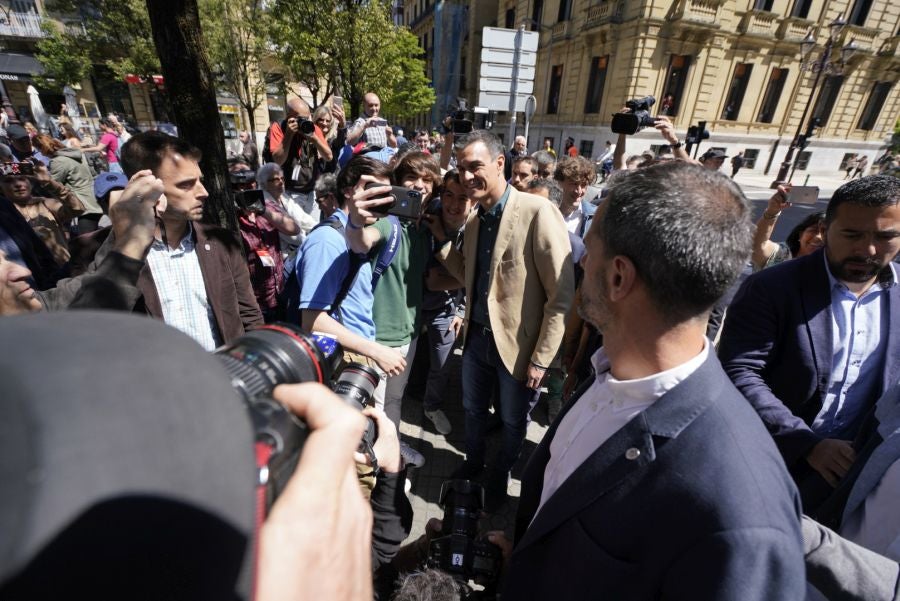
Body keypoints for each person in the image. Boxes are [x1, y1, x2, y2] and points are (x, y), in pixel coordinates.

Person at [491, 161, 805, 600]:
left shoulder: (741, 510)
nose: (579, 259)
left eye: (590, 248)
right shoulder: (610, 374)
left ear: (619, 277)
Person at [719, 175, 900, 512]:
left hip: (848, 481)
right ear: (825, 227)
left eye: (885, 236)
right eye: (853, 235)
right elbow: (739, 370)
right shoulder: (772, 287)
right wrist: (806, 444)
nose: (868, 249)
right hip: (761, 465)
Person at [432, 130, 574, 511]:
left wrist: (543, 357)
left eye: (474, 167)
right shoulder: (476, 219)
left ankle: (501, 473)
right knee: (474, 411)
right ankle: (474, 463)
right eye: (461, 169)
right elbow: (472, 277)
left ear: (500, 164)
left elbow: (560, 295)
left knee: (513, 421)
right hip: (476, 342)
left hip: (519, 345)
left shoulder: (538, 211)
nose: (465, 177)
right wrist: (443, 239)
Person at [114, 130, 263, 349]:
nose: (203, 192)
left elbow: (249, 316)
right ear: (146, 186)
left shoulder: (222, 243)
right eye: (186, 184)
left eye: (199, 181)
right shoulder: (110, 254)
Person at [345, 151, 438, 428]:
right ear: (398, 182)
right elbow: (361, 241)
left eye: (427, 180)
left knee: (394, 401)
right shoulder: (387, 223)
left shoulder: (424, 231)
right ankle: (379, 466)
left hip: (409, 335)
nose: (419, 185)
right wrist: (356, 221)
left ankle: (392, 453)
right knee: (377, 408)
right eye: (411, 177)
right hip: (379, 338)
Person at [294, 154, 407, 381]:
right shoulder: (328, 240)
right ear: (347, 191)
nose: (381, 199)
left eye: (386, 193)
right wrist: (376, 351)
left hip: (356, 354)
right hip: (340, 360)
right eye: (373, 190)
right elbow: (313, 320)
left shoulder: (355, 233)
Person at [419, 169, 473, 435]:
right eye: (449, 195)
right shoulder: (428, 216)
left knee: (442, 364)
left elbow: (476, 275)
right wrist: (467, 277)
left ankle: (432, 406)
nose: (453, 204)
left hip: (447, 307)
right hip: (414, 303)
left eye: (462, 198)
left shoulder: (476, 229)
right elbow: (432, 281)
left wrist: (462, 309)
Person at [230, 161, 299, 322]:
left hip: (278, 292)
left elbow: (293, 228)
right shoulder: (230, 215)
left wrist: (262, 210)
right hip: (255, 301)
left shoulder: (266, 205)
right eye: (239, 184)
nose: (244, 189)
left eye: (249, 183)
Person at [1, 165, 84, 266]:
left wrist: (50, 183)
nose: (18, 184)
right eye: (9, 181)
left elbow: (77, 209)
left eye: (22, 179)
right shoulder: (4, 214)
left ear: (30, 183)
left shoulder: (44, 203)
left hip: (64, 269)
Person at [267, 97, 333, 223]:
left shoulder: (312, 128)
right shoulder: (278, 128)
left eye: (307, 117)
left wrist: (314, 138)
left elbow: (328, 156)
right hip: (290, 193)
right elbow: (277, 160)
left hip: (311, 191)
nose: (305, 121)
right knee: (298, 231)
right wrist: (288, 135)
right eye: (300, 118)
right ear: (289, 116)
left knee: (313, 227)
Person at [32, 134, 104, 234]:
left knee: (87, 239)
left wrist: (40, 175)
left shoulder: (57, 161)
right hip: (93, 197)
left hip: (84, 204)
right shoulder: (73, 153)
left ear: (41, 148)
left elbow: (54, 186)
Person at [751, 185, 825, 270]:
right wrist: (772, 211)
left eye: (825, 233)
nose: (818, 237)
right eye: (814, 230)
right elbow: (756, 248)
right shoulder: (782, 255)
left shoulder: (834, 274)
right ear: (800, 235)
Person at [256, 162, 317, 258]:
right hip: (281, 255)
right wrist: (312, 241)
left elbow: (303, 218)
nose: (281, 182)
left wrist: (319, 228)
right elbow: (292, 237)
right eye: (276, 179)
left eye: (282, 178)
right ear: (264, 184)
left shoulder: (283, 196)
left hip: (297, 247)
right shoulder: (265, 203)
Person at [553, 155, 597, 239]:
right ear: (560, 182)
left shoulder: (595, 216)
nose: (579, 191)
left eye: (583, 185)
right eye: (574, 183)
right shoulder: (547, 210)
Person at [312, 103, 347, 173]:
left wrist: (342, 125)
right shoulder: (310, 140)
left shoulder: (332, 141)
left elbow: (340, 141)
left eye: (327, 121)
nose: (324, 123)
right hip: (313, 181)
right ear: (315, 121)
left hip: (330, 181)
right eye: (321, 120)